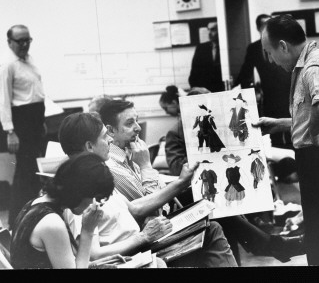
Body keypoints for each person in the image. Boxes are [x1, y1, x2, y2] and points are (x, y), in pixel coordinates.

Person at [59, 112, 238, 268]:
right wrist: (144, 236)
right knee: (212, 231)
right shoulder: (77, 190)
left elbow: (134, 208)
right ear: (90, 146)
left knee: (210, 226)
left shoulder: (95, 175)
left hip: (142, 246)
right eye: (105, 137)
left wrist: (181, 183)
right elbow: (94, 255)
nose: (111, 140)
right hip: (134, 257)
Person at [254, 14, 319, 265]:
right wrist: (279, 124)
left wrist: (313, 134)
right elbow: (313, 112)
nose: (271, 60)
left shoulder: (312, 67)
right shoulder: (315, 60)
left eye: (270, 52)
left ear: (283, 46)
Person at [160, 88, 305, 264]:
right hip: (202, 189)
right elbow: (177, 168)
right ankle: (267, 243)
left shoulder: (215, 124)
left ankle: (265, 241)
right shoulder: (176, 133)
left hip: (221, 185)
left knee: (228, 212)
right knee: (221, 212)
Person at [10, 152, 113, 269]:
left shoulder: (36, 204)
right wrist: (88, 231)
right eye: (96, 198)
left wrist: (97, 264)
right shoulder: (52, 223)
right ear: (80, 192)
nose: (96, 204)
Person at [0, 25, 46, 229]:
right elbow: (3, 100)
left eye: (28, 40)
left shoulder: (30, 62)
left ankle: (33, 215)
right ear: (10, 42)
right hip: (21, 122)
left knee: (35, 169)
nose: (25, 44)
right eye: (20, 41)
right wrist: (10, 131)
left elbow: (36, 93)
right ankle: (17, 221)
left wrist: (42, 121)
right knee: (25, 170)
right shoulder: (7, 65)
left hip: (35, 119)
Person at [233, 14, 293, 150]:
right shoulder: (254, 48)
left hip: (289, 92)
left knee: (291, 125)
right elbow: (245, 72)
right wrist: (244, 91)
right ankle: (282, 161)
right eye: (264, 24)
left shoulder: (282, 44)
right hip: (269, 95)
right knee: (273, 129)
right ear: (258, 28)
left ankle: (294, 155)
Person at [188, 22, 225, 93]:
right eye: (208, 30)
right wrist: (196, 89)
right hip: (204, 89)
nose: (209, 33)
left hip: (222, 88)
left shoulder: (226, 47)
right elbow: (194, 71)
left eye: (213, 30)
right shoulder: (201, 48)